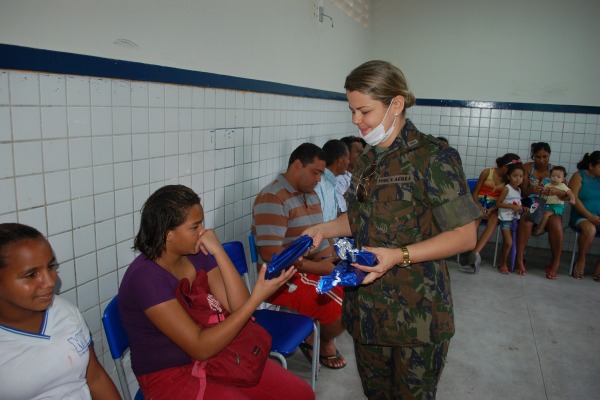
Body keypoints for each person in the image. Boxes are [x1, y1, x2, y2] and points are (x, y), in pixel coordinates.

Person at [303, 60, 480, 400]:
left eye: (364, 111)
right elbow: (360, 218)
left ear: (395, 104)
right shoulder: (368, 158)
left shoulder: (434, 157)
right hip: (367, 313)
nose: (356, 120)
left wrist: (397, 255)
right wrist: (322, 229)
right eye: (352, 110)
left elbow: (465, 235)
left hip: (417, 317)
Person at [118, 185, 315, 399]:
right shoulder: (145, 278)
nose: (203, 232)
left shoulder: (194, 254)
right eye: (195, 227)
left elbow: (239, 307)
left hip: (221, 355)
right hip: (171, 376)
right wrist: (257, 296)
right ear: (168, 234)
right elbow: (200, 347)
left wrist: (219, 251)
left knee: (301, 394)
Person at [252, 143, 347, 369]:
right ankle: (320, 341)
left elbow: (321, 233)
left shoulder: (310, 194)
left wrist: (333, 259)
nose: (318, 179)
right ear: (297, 165)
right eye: (315, 172)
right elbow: (270, 254)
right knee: (341, 308)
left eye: (321, 174)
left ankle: (318, 335)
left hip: (308, 267)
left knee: (355, 289)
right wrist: (319, 269)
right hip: (281, 277)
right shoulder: (273, 198)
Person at [0, 223, 120, 400]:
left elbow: (95, 378)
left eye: (50, 267)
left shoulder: (63, 310)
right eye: (31, 275)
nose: (50, 281)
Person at [513, 142, 568, 279]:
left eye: (545, 157)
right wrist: (531, 189)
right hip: (531, 203)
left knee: (556, 224)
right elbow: (521, 190)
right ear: (533, 156)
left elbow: (566, 194)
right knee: (526, 219)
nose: (542, 160)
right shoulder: (526, 168)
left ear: (549, 155)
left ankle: (555, 263)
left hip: (549, 205)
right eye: (538, 157)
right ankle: (519, 259)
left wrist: (556, 191)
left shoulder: (556, 170)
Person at [459, 153, 521, 272]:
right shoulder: (487, 172)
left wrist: (491, 210)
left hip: (495, 208)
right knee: (477, 217)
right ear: (504, 167)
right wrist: (479, 207)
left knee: (494, 219)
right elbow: (475, 192)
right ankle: (468, 247)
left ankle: (475, 253)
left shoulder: (508, 181)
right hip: (478, 204)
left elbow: (501, 201)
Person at [568, 151, 600, 280]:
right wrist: (590, 216)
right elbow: (574, 198)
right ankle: (581, 259)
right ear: (591, 165)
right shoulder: (579, 176)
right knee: (590, 229)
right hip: (581, 216)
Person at [496, 164, 525, 274]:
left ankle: (502, 262)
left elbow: (517, 204)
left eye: (521, 176)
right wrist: (512, 207)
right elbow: (498, 203)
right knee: (508, 242)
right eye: (515, 176)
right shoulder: (506, 188)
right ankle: (503, 264)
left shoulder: (518, 190)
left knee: (508, 243)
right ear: (508, 176)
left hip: (514, 220)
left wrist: (522, 208)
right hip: (505, 219)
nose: (518, 178)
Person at [533, 166, 576, 236]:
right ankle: (539, 226)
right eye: (553, 176)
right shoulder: (547, 185)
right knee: (539, 212)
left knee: (545, 214)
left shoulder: (563, 186)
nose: (555, 178)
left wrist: (572, 199)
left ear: (563, 179)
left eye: (558, 177)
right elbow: (542, 194)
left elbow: (570, 193)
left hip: (557, 206)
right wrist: (540, 192)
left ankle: (541, 228)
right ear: (550, 176)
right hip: (546, 205)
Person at [315, 139, 350, 221]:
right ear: (340, 160)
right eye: (347, 158)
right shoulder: (320, 184)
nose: (348, 162)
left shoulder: (331, 183)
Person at [337, 136, 365, 213]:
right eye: (358, 152)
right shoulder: (339, 180)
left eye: (363, 151)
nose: (362, 155)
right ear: (346, 155)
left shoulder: (361, 176)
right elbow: (343, 212)